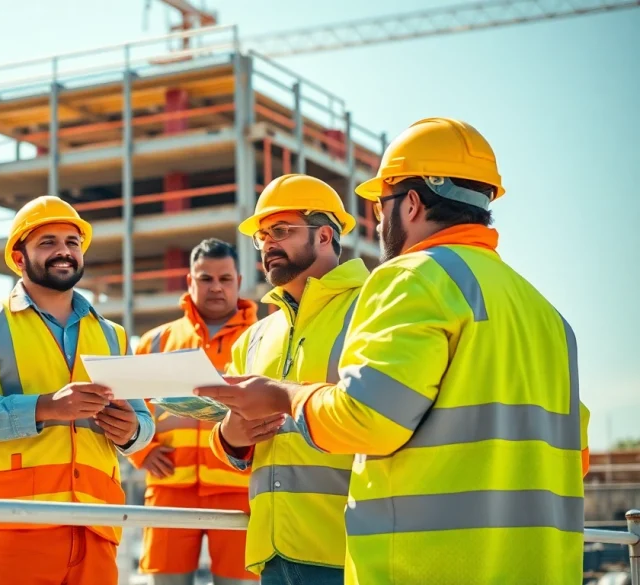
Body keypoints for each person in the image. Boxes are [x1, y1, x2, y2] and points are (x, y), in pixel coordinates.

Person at [196, 118, 591, 585]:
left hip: (425, 563)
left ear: (413, 202)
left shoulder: (409, 279)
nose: (379, 222)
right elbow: (575, 455)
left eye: (382, 206)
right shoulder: (546, 314)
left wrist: (287, 396)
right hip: (530, 567)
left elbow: (368, 418)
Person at [0, 195, 156, 585]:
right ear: (19, 257)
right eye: (48, 242)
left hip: (96, 529)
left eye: (72, 242)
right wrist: (45, 407)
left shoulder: (114, 336)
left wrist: (130, 431)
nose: (64, 252)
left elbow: (143, 424)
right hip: (9, 527)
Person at [204, 175, 368, 585]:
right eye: (262, 236)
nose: (268, 244)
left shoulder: (372, 309)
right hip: (273, 554)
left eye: (281, 231)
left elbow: (379, 415)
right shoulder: (256, 336)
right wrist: (231, 435)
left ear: (326, 234)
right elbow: (234, 448)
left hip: (350, 552)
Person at [129, 238, 258, 585]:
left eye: (224, 279)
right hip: (170, 486)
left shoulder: (264, 338)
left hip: (241, 491)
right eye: (205, 278)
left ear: (238, 282)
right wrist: (141, 452)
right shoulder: (156, 342)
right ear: (190, 281)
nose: (216, 287)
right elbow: (126, 405)